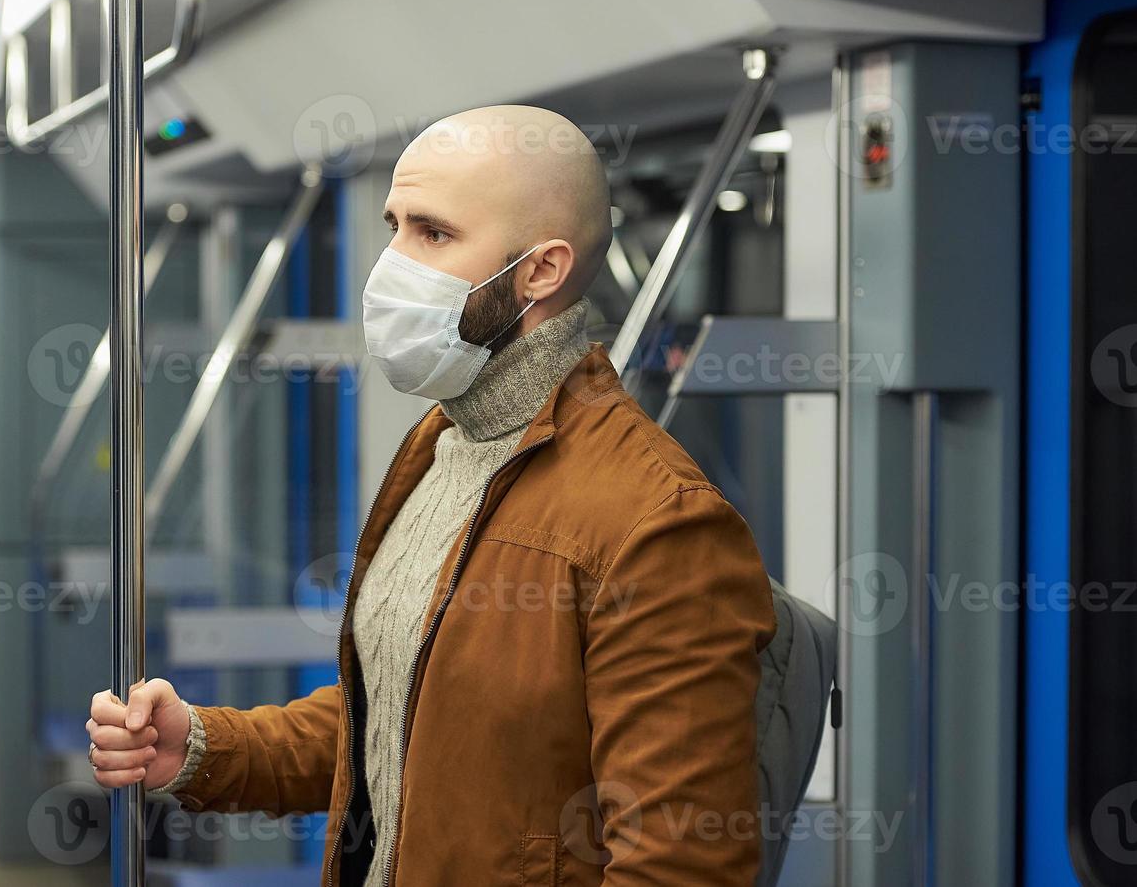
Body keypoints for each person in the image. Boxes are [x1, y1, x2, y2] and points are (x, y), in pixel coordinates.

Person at [87, 105, 776, 885]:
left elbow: (681, 864)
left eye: (433, 234)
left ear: (540, 271)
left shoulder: (655, 522)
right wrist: (203, 747)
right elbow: (396, 719)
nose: (392, 265)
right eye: (394, 226)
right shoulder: (441, 445)